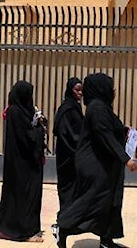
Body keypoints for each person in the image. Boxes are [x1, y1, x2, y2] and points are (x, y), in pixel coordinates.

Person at [54, 73, 137, 248]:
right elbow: (103, 135)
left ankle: (106, 240)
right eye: (110, 87)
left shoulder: (101, 107)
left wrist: (123, 130)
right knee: (94, 201)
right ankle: (63, 228)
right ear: (102, 88)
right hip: (95, 165)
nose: (113, 91)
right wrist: (125, 159)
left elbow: (108, 128)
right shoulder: (97, 108)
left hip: (104, 164)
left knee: (109, 203)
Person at [0, 80, 47, 242]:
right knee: (22, 197)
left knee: (30, 196)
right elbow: (26, 137)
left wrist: (40, 123)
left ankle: (25, 227)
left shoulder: (23, 110)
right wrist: (39, 130)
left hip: (29, 163)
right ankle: (23, 232)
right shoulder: (14, 112)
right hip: (20, 165)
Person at [54, 78, 84, 210]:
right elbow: (66, 133)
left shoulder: (75, 107)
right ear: (70, 90)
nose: (80, 93)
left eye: (81, 90)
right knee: (67, 186)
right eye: (77, 90)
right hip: (66, 155)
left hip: (75, 154)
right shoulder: (67, 109)